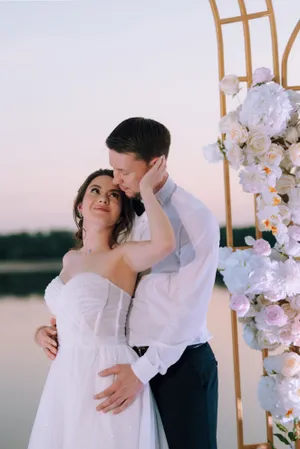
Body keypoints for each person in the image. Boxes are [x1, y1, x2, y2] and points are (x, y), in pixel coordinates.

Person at [36, 117, 220, 449]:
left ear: (155, 165)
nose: (117, 181)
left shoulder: (195, 218)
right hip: (123, 362)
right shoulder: (132, 217)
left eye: (124, 172)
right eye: (113, 170)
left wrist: (142, 372)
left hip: (177, 366)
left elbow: (188, 313)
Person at [28, 162, 175, 449]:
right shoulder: (70, 259)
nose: (104, 197)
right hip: (66, 376)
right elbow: (70, 314)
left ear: (122, 212)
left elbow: (164, 245)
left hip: (106, 373)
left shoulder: (123, 256)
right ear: (80, 205)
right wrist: (40, 333)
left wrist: (146, 190)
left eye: (115, 195)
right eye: (95, 191)